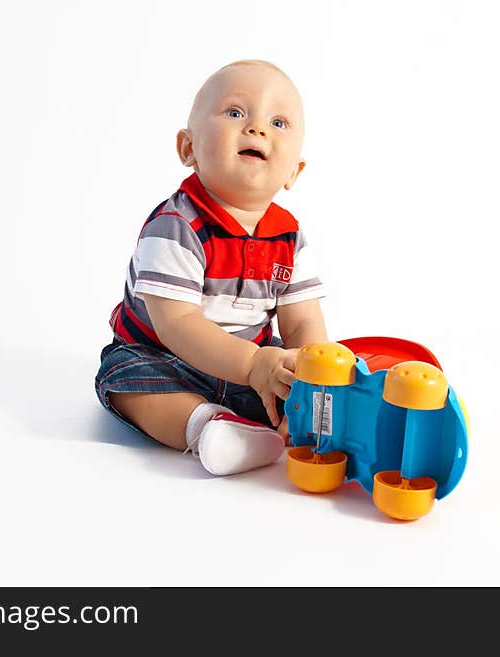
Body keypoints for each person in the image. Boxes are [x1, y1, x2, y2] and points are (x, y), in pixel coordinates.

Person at [95, 59, 328, 475]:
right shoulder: (177, 226)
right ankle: (208, 429)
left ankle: (296, 424)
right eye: (236, 113)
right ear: (189, 148)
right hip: (166, 359)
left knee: (289, 370)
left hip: (251, 369)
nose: (257, 129)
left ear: (294, 171)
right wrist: (251, 365)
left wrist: (310, 379)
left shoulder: (289, 239)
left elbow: (303, 321)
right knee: (124, 377)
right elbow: (177, 324)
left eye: (278, 122)